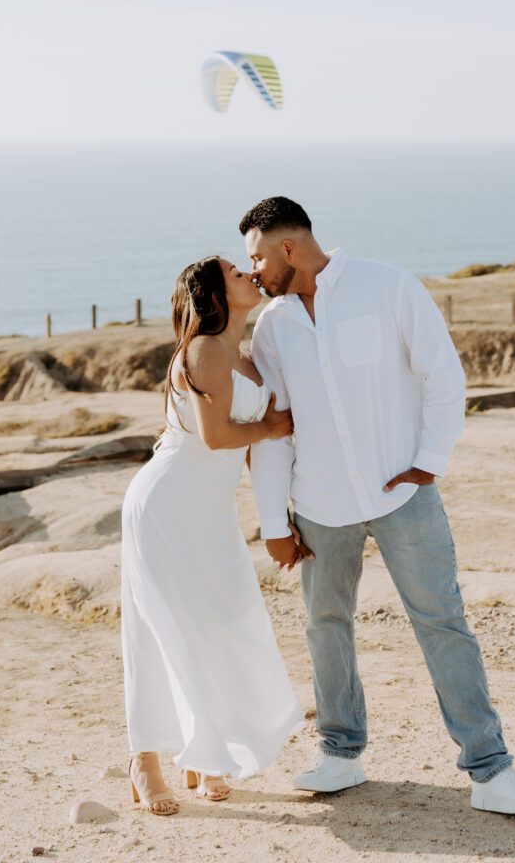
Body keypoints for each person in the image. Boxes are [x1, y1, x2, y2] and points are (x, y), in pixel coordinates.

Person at [241, 195, 515, 815]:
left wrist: (431, 459)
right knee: (324, 625)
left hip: (402, 495)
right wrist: (274, 521)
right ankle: (340, 753)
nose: (251, 271)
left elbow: (443, 374)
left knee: (442, 622)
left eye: (256, 257)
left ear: (288, 247)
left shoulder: (388, 287)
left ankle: (491, 772)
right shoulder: (272, 325)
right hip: (320, 505)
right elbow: (277, 430)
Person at [120, 254, 307, 816]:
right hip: (166, 505)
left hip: (210, 512)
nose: (247, 272)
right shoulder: (202, 348)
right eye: (233, 270)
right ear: (213, 293)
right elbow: (217, 435)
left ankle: (205, 753)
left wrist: (278, 515)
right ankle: (146, 761)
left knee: (221, 624)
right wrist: (272, 425)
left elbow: (250, 455)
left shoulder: (246, 357)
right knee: (163, 629)